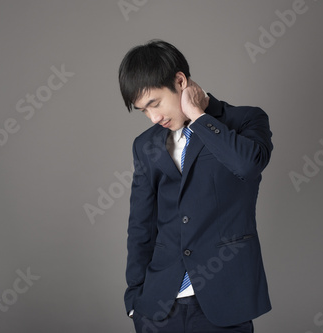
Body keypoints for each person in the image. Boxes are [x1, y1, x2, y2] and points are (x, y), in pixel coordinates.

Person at [119, 39, 273, 333]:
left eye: (155, 103)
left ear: (180, 81)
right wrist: (134, 301)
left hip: (225, 303)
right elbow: (141, 224)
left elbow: (248, 166)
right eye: (143, 111)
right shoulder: (145, 145)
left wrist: (199, 117)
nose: (154, 118)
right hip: (159, 307)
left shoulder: (245, 120)